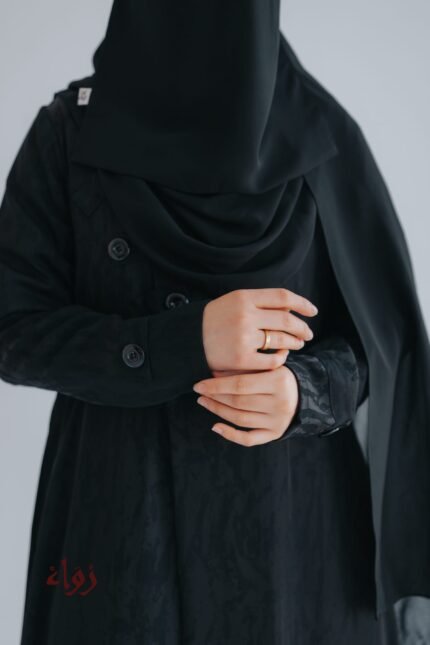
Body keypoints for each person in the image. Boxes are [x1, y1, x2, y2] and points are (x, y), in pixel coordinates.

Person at [1, 1, 429, 643]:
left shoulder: (321, 141)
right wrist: (182, 341)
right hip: (121, 535)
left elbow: (381, 346)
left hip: (294, 540)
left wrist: (304, 392)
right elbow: (13, 330)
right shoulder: (70, 136)